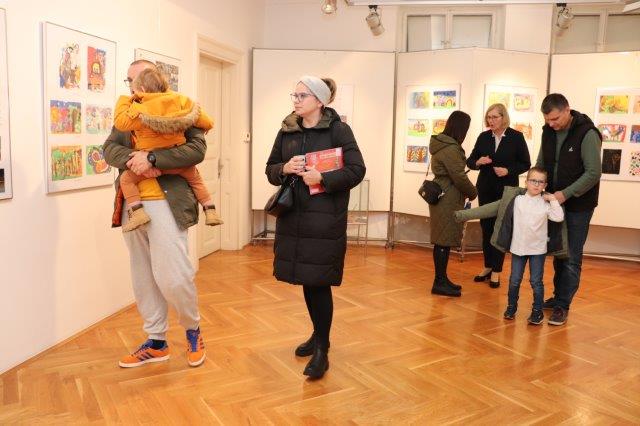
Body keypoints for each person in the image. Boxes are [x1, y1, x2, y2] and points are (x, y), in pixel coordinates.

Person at [103, 60, 207, 368]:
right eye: (129, 80)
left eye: (138, 79)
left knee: (173, 275)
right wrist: (135, 159)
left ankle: (192, 329)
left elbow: (196, 149)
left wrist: (152, 158)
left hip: (168, 201)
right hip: (132, 203)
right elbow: (109, 148)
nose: (133, 86)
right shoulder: (128, 112)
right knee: (143, 274)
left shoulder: (181, 107)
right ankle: (157, 341)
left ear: (158, 81)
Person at [265, 76, 366, 379]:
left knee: (318, 282)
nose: (296, 101)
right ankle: (317, 334)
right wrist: (285, 168)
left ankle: (322, 347)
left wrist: (322, 178)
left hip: (324, 219)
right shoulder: (287, 130)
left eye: (302, 96)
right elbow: (270, 170)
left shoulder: (338, 130)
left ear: (320, 101)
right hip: (294, 218)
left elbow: (357, 170)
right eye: (294, 95)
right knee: (308, 281)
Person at [113, 67, 222, 232]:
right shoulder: (181, 102)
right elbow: (206, 120)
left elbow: (121, 122)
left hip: (161, 190)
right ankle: (210, 210)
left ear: (141, 89)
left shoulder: (139, 110)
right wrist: (206, 126)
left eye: (133, 86)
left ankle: (137, 212)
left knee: (126, 179)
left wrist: (124, 100)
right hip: (177, 166)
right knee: (196, 179)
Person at [454, 167, 565, 324]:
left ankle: (537, 312)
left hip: (538, 250)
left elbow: (558, 217)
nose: (536, 184)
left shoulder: (545, 203)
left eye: (540, 182)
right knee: (514, 280)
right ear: (526, 182)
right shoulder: (517, 200)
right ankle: (511, 307)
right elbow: (492, 209)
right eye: (533, 180)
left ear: (545, 185)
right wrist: (462, 215)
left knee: (536, 282)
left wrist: (553, 199)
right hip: (518, 248)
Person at [535, 93, 602, 326]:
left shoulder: (587, 133)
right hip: (554, 202)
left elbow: (593, 173)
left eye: (555, 119)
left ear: (567, 110)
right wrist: (534, 185)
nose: (551, 124)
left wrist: (565, 194)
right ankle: (558, 297)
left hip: (578, 206)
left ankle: (563, 306)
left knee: (572, 256)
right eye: (547, 120)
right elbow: (541, 163)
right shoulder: (548, 131)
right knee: (559, 253)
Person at [466, 103, 530, 288]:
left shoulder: (516, 137)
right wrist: (478, 162)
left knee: (500, 228)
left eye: (494, 117)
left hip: (506, 191)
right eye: (488, 117)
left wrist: (508, 171)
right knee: (486, 228)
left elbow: (525, 163)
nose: (491, 120)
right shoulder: (483, 137)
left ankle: (496, 271)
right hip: (485, 188)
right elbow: (470, 161)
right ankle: (487, 266)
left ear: (503, 118)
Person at [428, 110, 478, 297]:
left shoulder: (443, 144)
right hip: (447, 198)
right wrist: (473, 192)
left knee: (444, 239)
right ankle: (439, 282)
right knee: (443, 240)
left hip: (443, 195)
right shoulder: (450, 148)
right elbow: (459, 177)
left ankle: (442, 279)